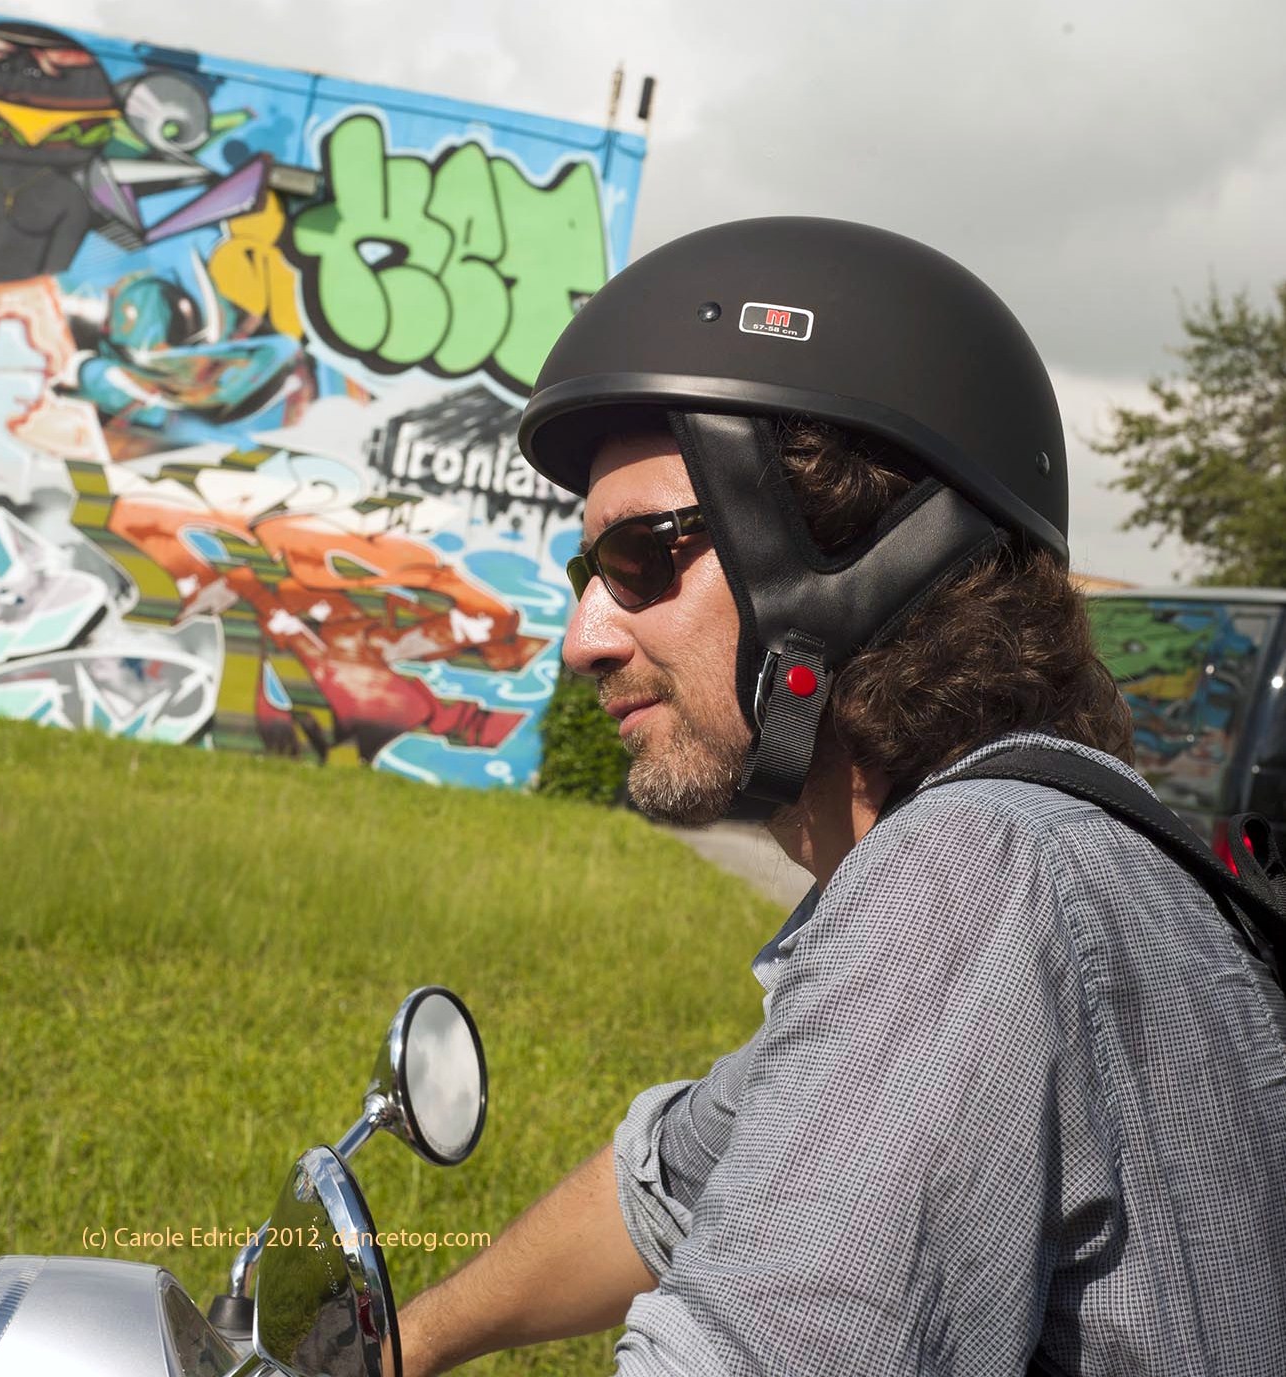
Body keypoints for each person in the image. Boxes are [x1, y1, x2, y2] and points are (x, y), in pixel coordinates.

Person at [396, 218, 1286, 1375]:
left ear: (856, 560)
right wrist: (390, 1348)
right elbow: (668, 1184)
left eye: (641, 560)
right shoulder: (1055, 847)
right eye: (587, 573)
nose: (583, 639)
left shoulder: (970, 879)